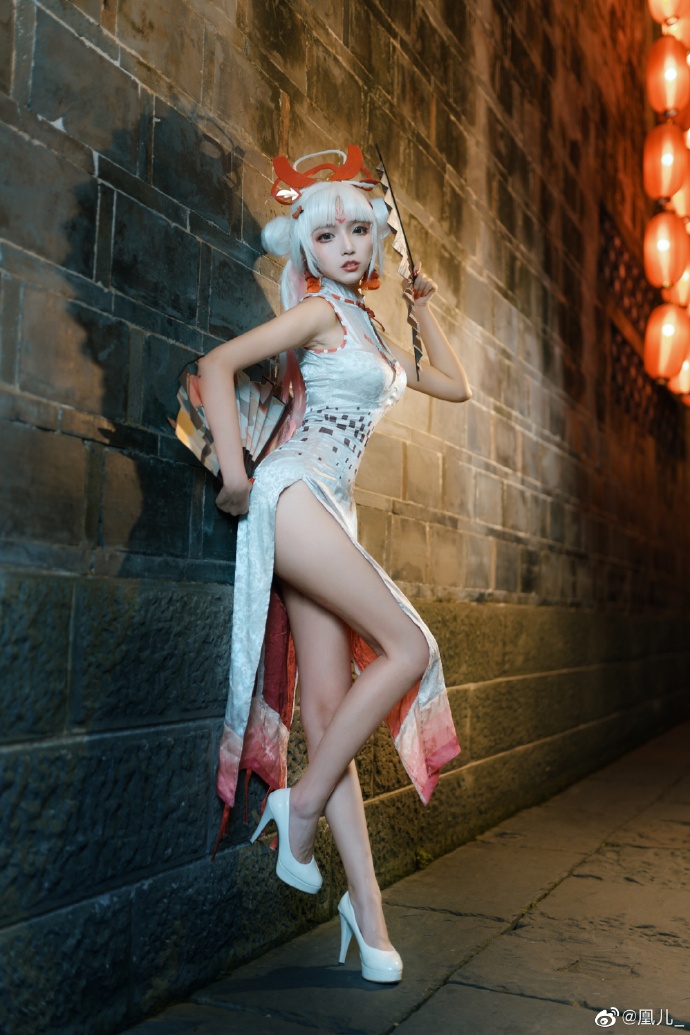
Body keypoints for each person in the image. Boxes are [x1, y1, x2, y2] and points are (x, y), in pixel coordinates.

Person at [197, 146, 471, 983]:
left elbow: (454, 385)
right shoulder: (318, 313)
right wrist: (237, 478)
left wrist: (421, 310)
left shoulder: (371, 328)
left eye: (358, 230)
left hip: (332, 512)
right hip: (293, 493)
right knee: (410, 647)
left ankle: (368, 913)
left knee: (328, 710)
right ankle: (302, 802)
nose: (346, 246)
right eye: (326, 235)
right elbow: (218, 365)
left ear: (375, 237)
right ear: (306, 247)